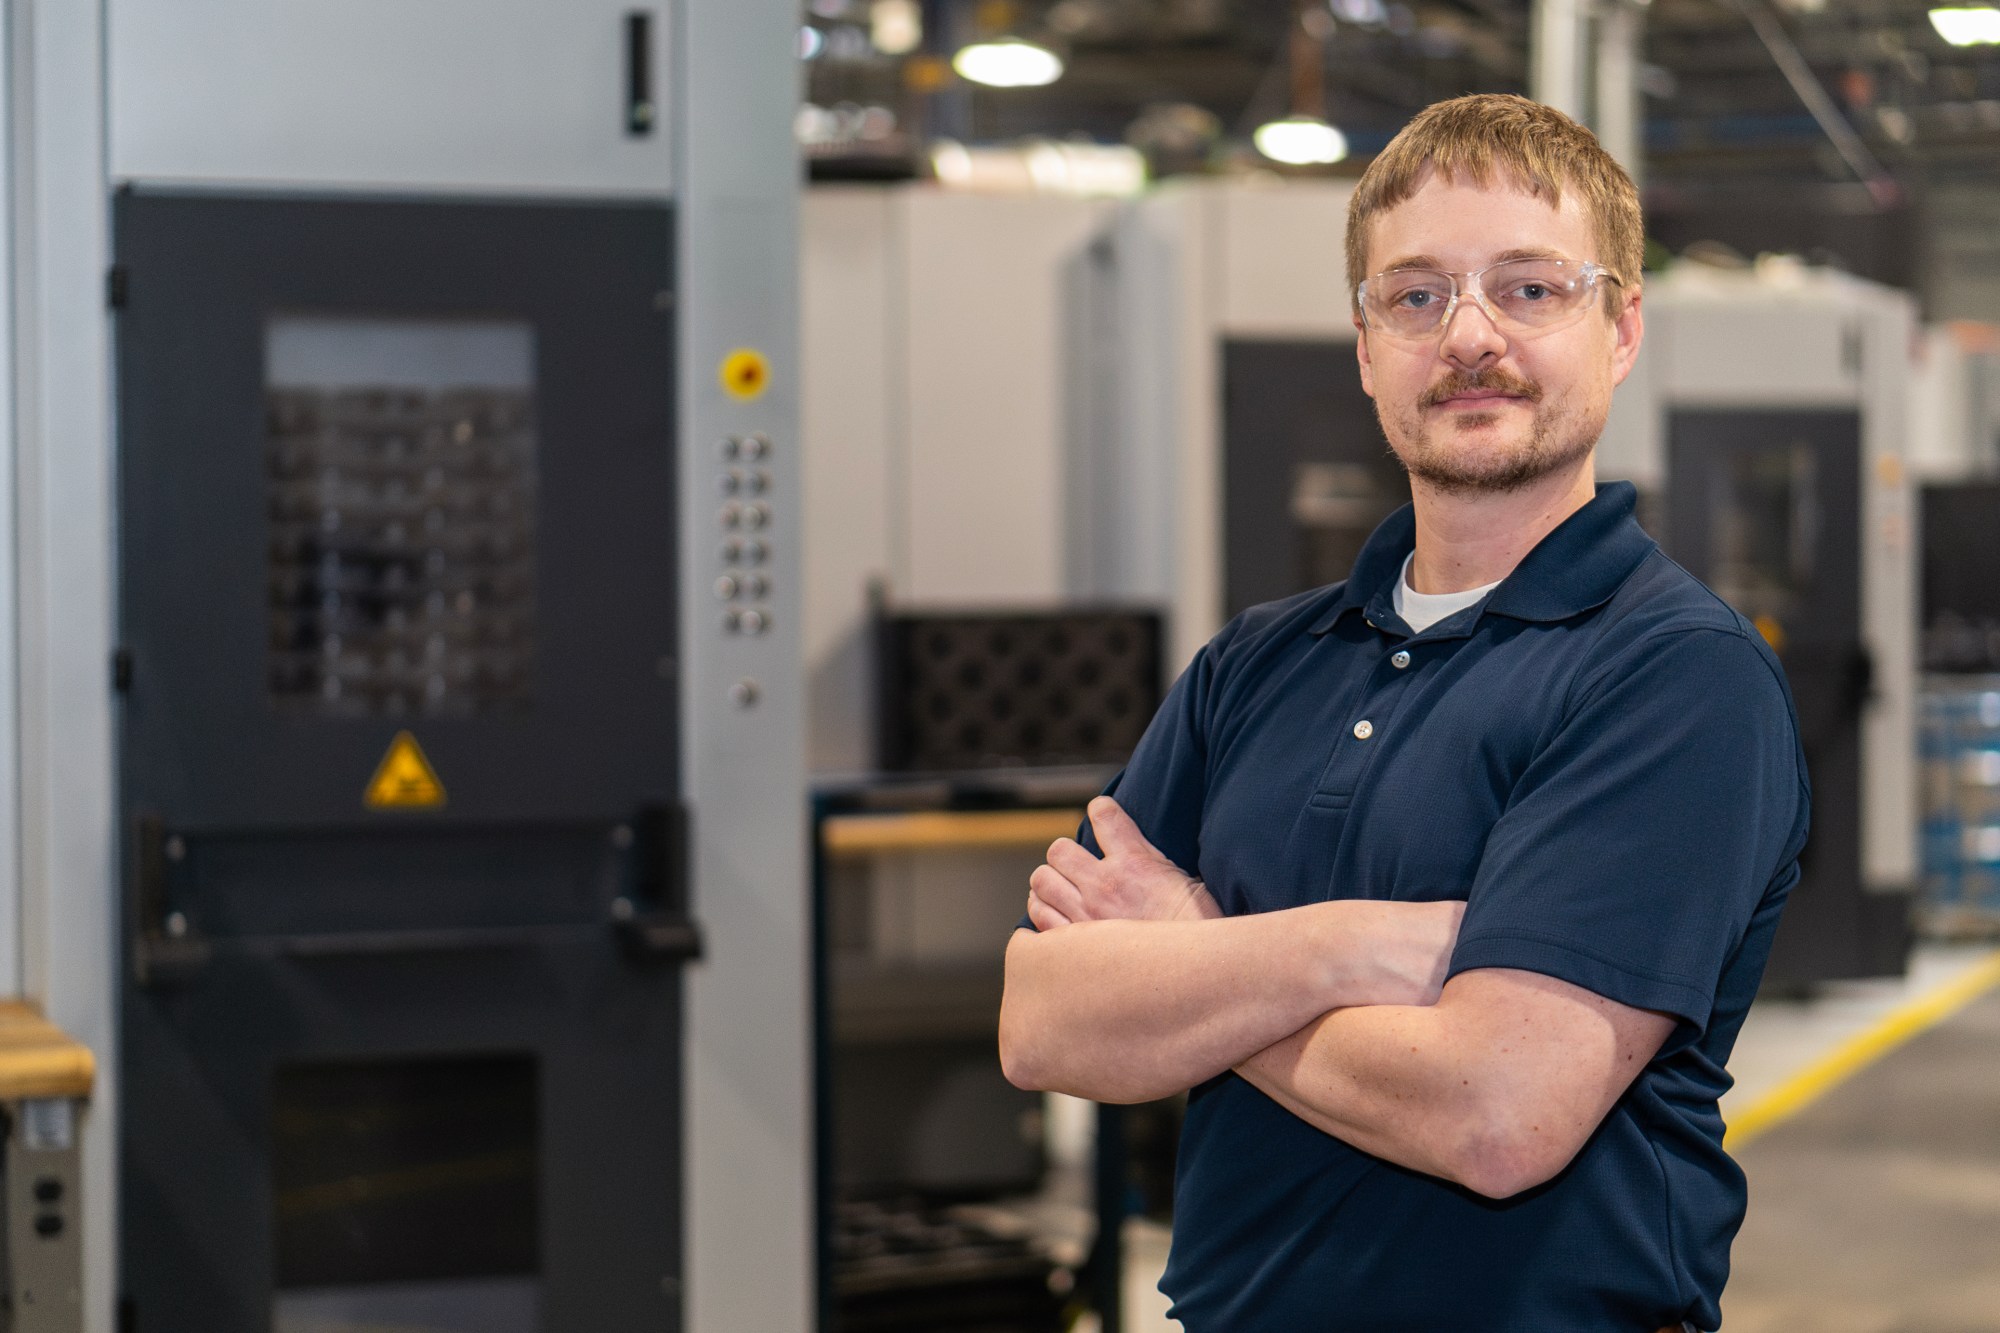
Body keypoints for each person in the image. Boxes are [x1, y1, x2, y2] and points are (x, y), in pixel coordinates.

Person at [998, 93, 1808, 1332]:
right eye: (1416, 294)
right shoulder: (1254, 665)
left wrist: (1194, 951)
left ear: (1620, 325)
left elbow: (1493, 1113)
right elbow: (1044, 1023)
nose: (1469, 334)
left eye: (1529, 288)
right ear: (1366, 344)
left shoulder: (1672, 678)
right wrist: (1343, 951)